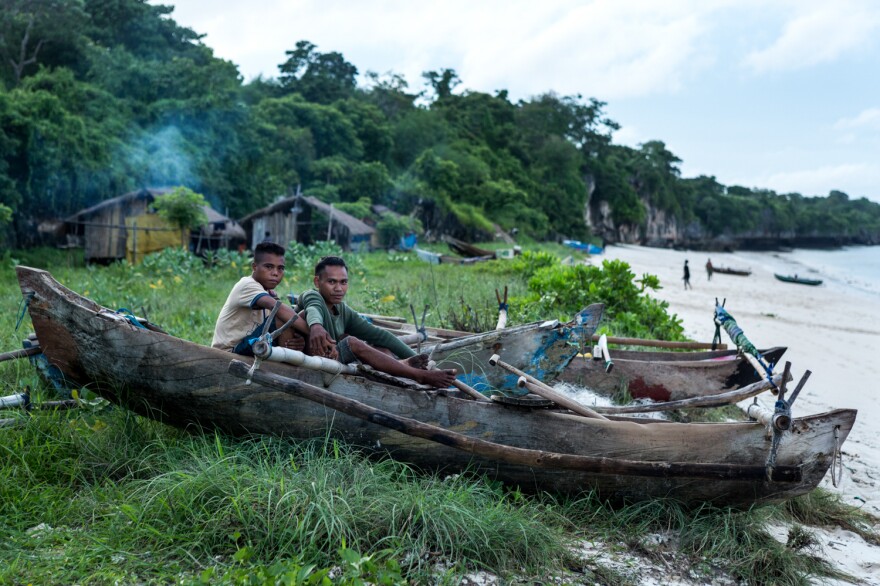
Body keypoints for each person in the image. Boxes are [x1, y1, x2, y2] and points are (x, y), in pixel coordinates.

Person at [297, 256, 457, 388]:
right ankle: (419, 375)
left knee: (381, 347)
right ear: (317, 282)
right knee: (352, 342)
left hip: (333, 357)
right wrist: (316, 326)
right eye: (332, 282)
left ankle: (404, 364)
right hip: (314, 361)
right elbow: (313, 309)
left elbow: (381, 335)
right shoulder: (312, 295)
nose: (339, 288)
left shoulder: (343, 310)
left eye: (343, 282)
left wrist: (427, 362)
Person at [212, 241, 308, 355]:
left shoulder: (269, 293)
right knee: (283, 316)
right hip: (230, 351)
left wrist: (299, 340)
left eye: (280, 268)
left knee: (301, 316)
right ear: (254, 267)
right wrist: (311, 332)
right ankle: (287, 370)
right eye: (269, 267)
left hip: (252, 343)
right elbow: (278, 309)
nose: (275, 273)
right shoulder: (247, 284)